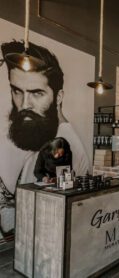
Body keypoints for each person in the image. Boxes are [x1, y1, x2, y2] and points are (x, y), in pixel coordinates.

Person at [0, 41, 89, 192]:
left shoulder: (63, 144)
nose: (25, 104)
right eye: (17, 91)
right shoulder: (44, 136)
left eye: (37, 93)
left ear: (59, 97)